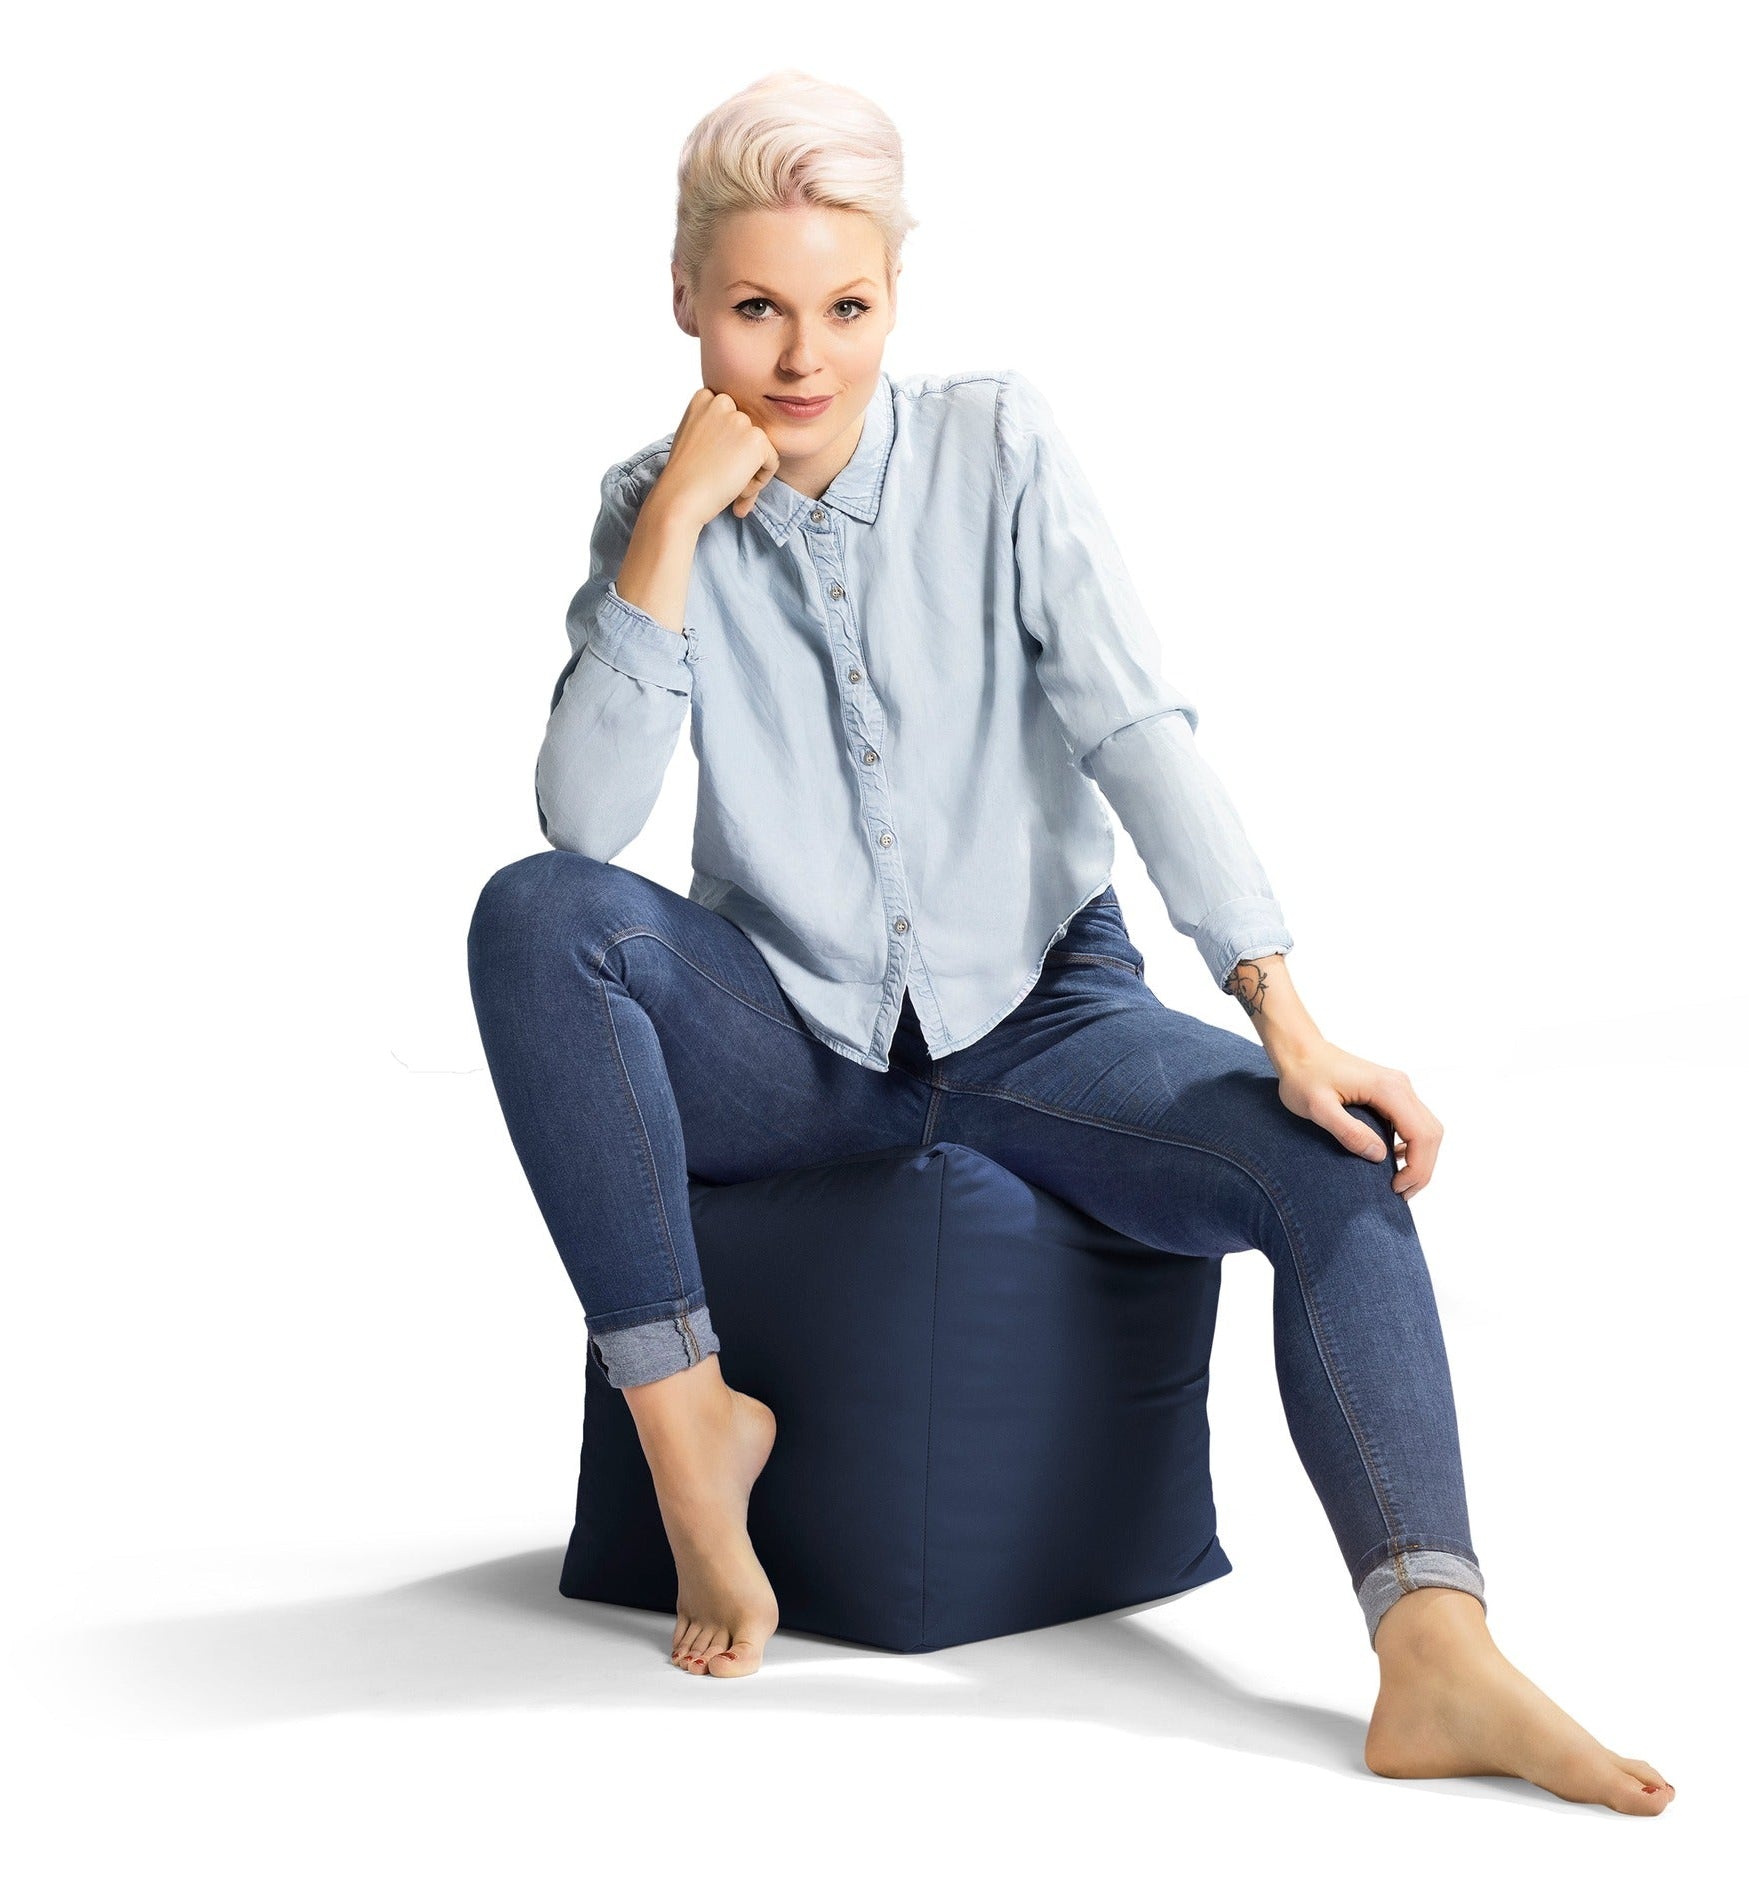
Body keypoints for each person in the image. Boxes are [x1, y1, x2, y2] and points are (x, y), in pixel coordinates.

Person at [466, 69, 1674, 1815]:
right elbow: (585, 823)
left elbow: (1136, 728)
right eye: (755, 309)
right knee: (535, 915)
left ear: (895, 298)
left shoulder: (999, 446)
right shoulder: (647, 505)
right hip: (789, 1049)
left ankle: (1436, 1651)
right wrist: (667, 531)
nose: (803, 358)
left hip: (1047, 1024)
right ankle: (690, 1433)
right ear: (686, 305)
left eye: (847, 307)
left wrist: (1286, 1014)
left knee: (1329, 1162)